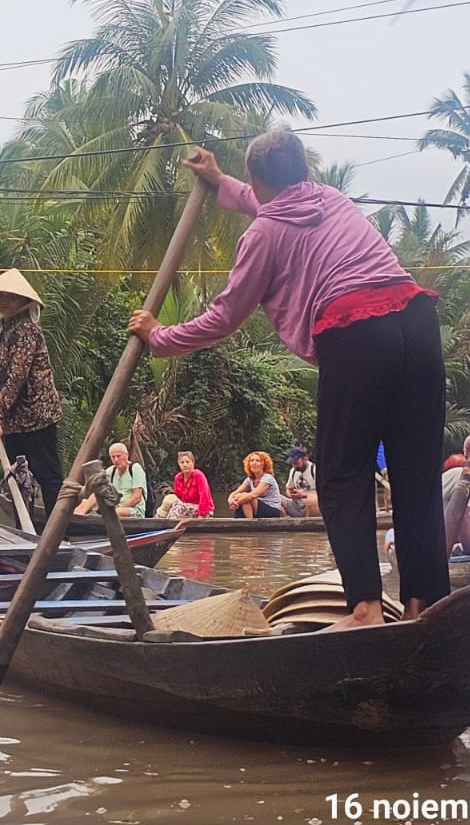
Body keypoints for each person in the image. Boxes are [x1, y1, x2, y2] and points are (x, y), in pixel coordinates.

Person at [127, 131, 450, 628]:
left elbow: (225, 317)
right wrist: (217, 182)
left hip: (357, 331)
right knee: (417, 475)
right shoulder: (330, 199)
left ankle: (364, 608)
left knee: (344, 477)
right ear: (303, 171)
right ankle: (421, 606)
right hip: (417, 320)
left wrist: (159, 336)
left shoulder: (263, 235)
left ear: (256, 178)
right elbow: (267, 203)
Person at [0, 269, 64, 517]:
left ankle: (59, 531)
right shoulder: (6, 326)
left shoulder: (27, 329)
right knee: (17, 474)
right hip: (14, 421)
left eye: (8, 298)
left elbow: (18, 375)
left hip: (36, 416)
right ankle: (25, 528)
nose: (1, 302)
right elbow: (2, 363)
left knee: (47, 476)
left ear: (21, 301)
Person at [76, 442, 148, 517]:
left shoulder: (135, 468)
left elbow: (137, 498)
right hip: (112, 505)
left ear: (126, 455)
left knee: (114, 512)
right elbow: (98, 485)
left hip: (133, 510)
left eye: (118, 456)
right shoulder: (111, 470)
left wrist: (119, 507)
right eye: (113, 457)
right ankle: (77, 516)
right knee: (86, 501)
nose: (116, 459)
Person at [155, 450, 213, 519]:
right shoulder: (178, 477)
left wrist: (201, 516)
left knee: (177, 506)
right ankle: (156, 521)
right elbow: (178, 498)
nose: (185, 465)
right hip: (186, 508)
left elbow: (204, 497)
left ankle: (170, 525)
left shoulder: (198, 475)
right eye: (182, 462)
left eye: (187, 462)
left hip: (203, 511)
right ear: (179, 464)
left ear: (193, 463)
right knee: (170, 501)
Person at [228, 451, 282, 518]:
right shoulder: (250, 479)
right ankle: (247, 523)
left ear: (263, 464)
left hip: (272, 509)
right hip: (257, 508)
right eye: (252, 461)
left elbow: (254, 495)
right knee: (242, 497)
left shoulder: (268, 478)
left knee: (246, 497)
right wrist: (231, 500)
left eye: (258, 461)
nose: (254, 463)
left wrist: (237, 502)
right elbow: (235, 493)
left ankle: (250, 525)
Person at [283, 446, 316, 517]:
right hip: (297, 504)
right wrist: (291, 494)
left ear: (305, 459)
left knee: (312, 501)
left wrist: (304, 495)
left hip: (312, 505)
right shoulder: (293, 471)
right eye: (292, 463)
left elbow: (324, 493)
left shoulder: (315, 470)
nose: (294, 465)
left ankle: (310, 524)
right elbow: (288, 488)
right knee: (277, 499)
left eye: (296, 463)